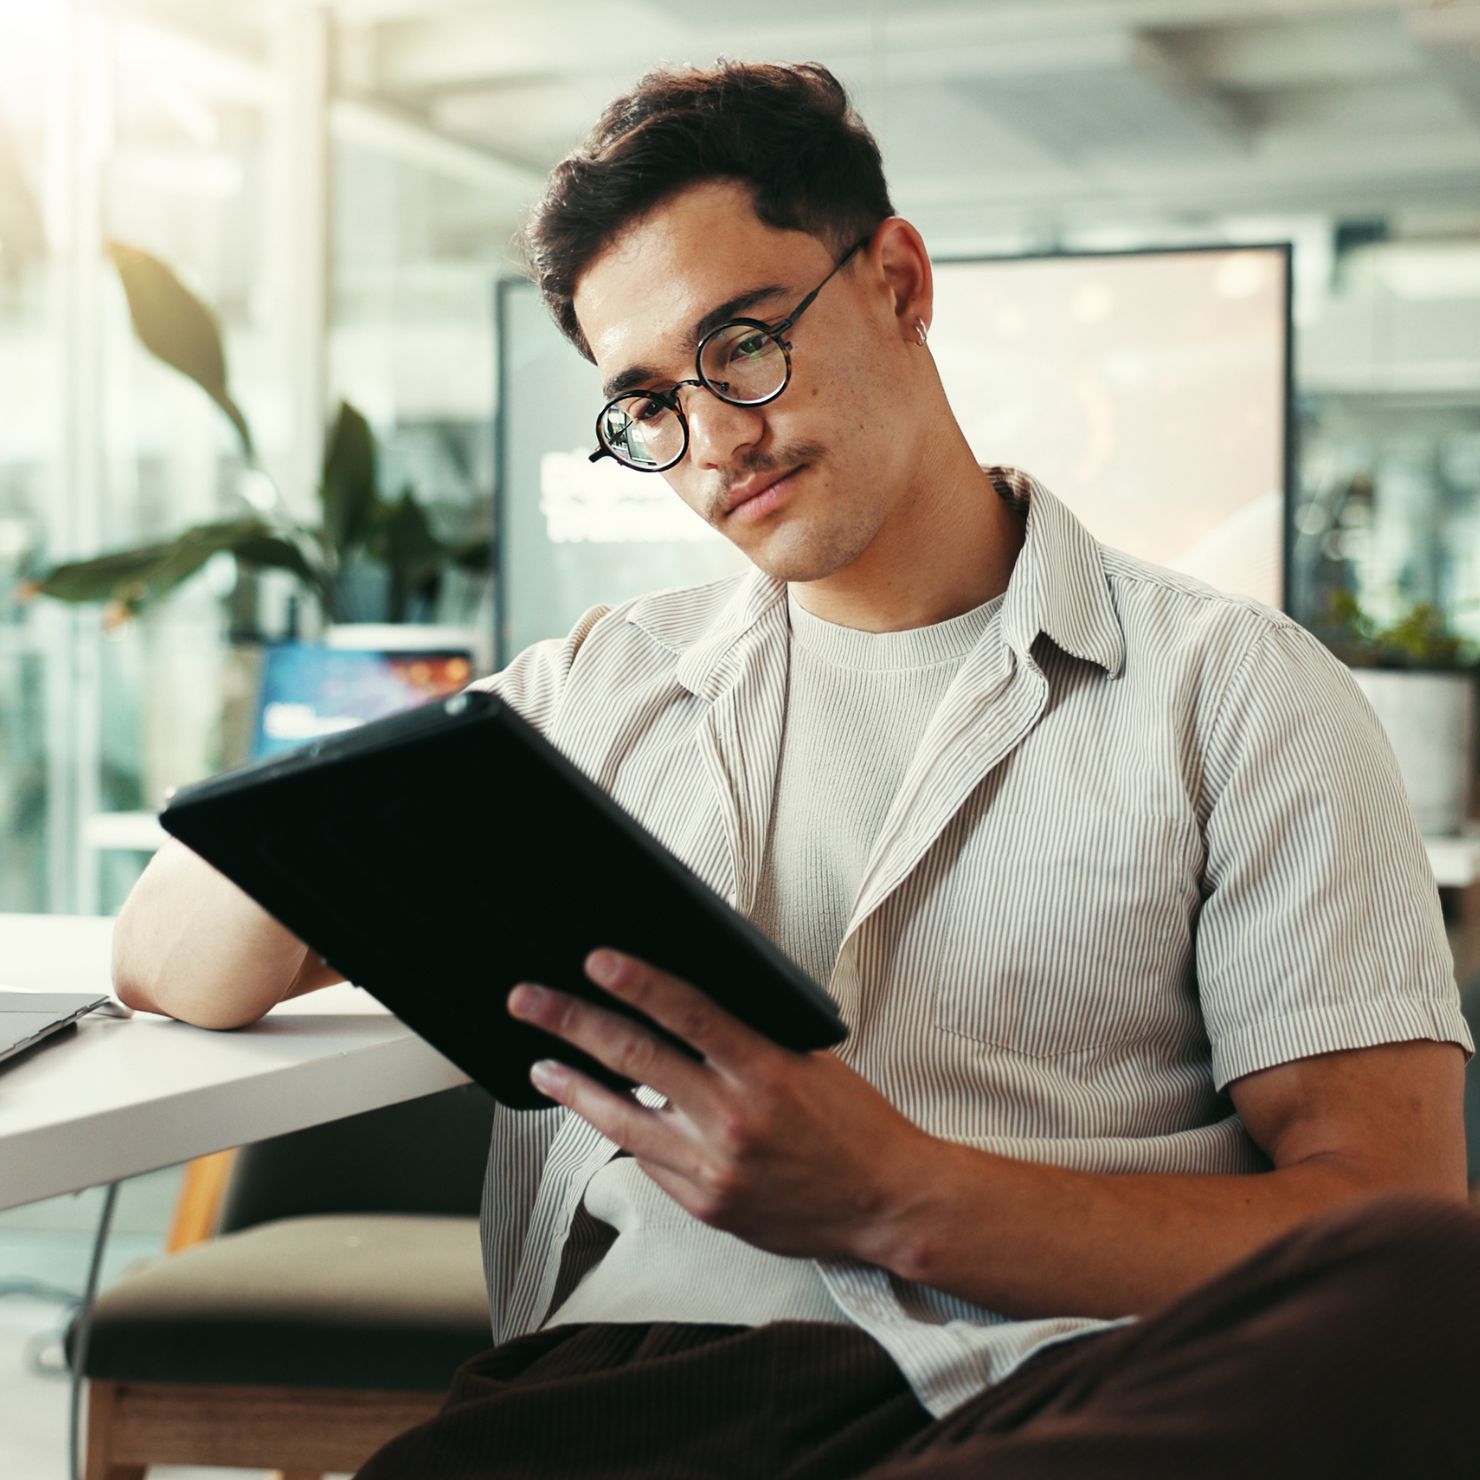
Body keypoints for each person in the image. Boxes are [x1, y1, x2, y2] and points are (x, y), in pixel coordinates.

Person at [113, 61, 1477, 1480]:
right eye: (647, 404)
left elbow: (1388, 1220)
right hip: (626, 1397)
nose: (711, 445)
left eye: (744, 344)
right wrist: (339, 855)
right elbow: (169, 962)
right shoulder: (595, 691)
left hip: (1053, 1391)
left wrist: (902, 1199)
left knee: (1433, 1299)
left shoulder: (1236, 690)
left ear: (897, 282)